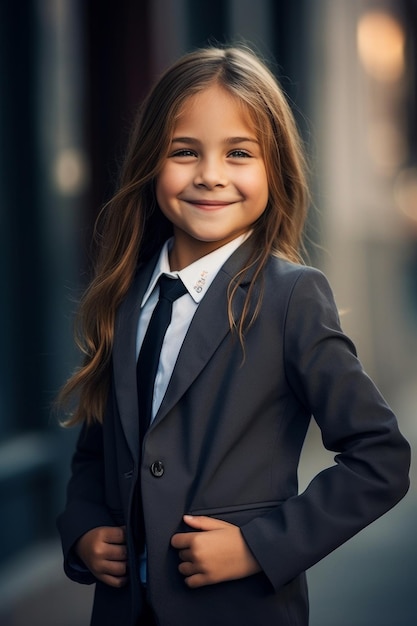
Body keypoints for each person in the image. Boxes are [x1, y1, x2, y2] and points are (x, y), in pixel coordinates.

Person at [57, 46, 410, 626]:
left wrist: (258, 546)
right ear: (152, 164)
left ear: (275, 169)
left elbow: (381, 459)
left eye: (239, 153)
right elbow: (96, 452)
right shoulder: (124, 298)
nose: (211, 174)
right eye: (185, 152)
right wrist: (83, 530)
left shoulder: (292, 297)